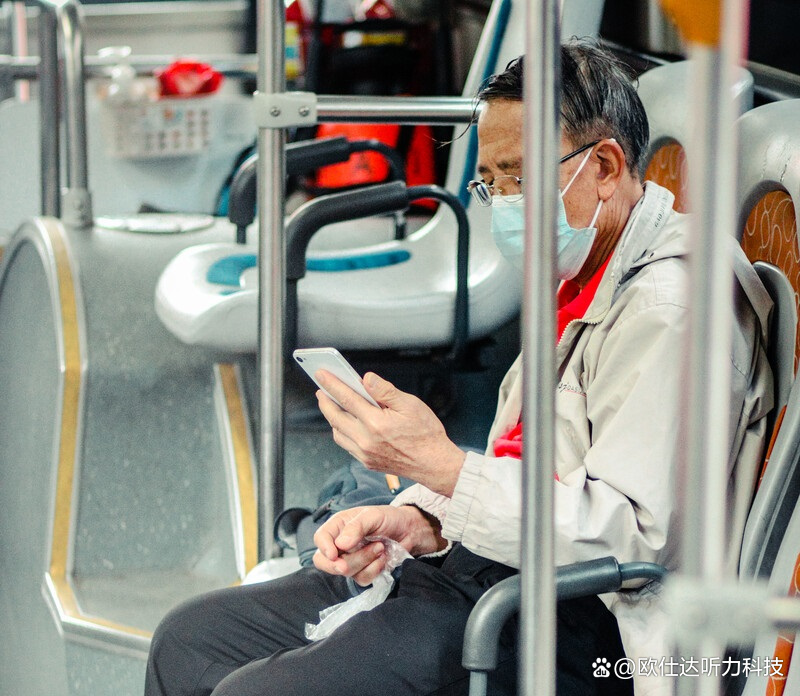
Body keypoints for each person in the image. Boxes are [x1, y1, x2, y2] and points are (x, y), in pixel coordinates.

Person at [144, 40, 773, 696]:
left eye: (518, 179)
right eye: (490, 183)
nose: (503, 203)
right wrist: (422, 520)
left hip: (580, 620)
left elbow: (628, 542)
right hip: (494, 566)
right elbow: (527, 462)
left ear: (607, 166)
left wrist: (436, 464)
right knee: (189, 643)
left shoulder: (670, 310)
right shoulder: (580, 275)